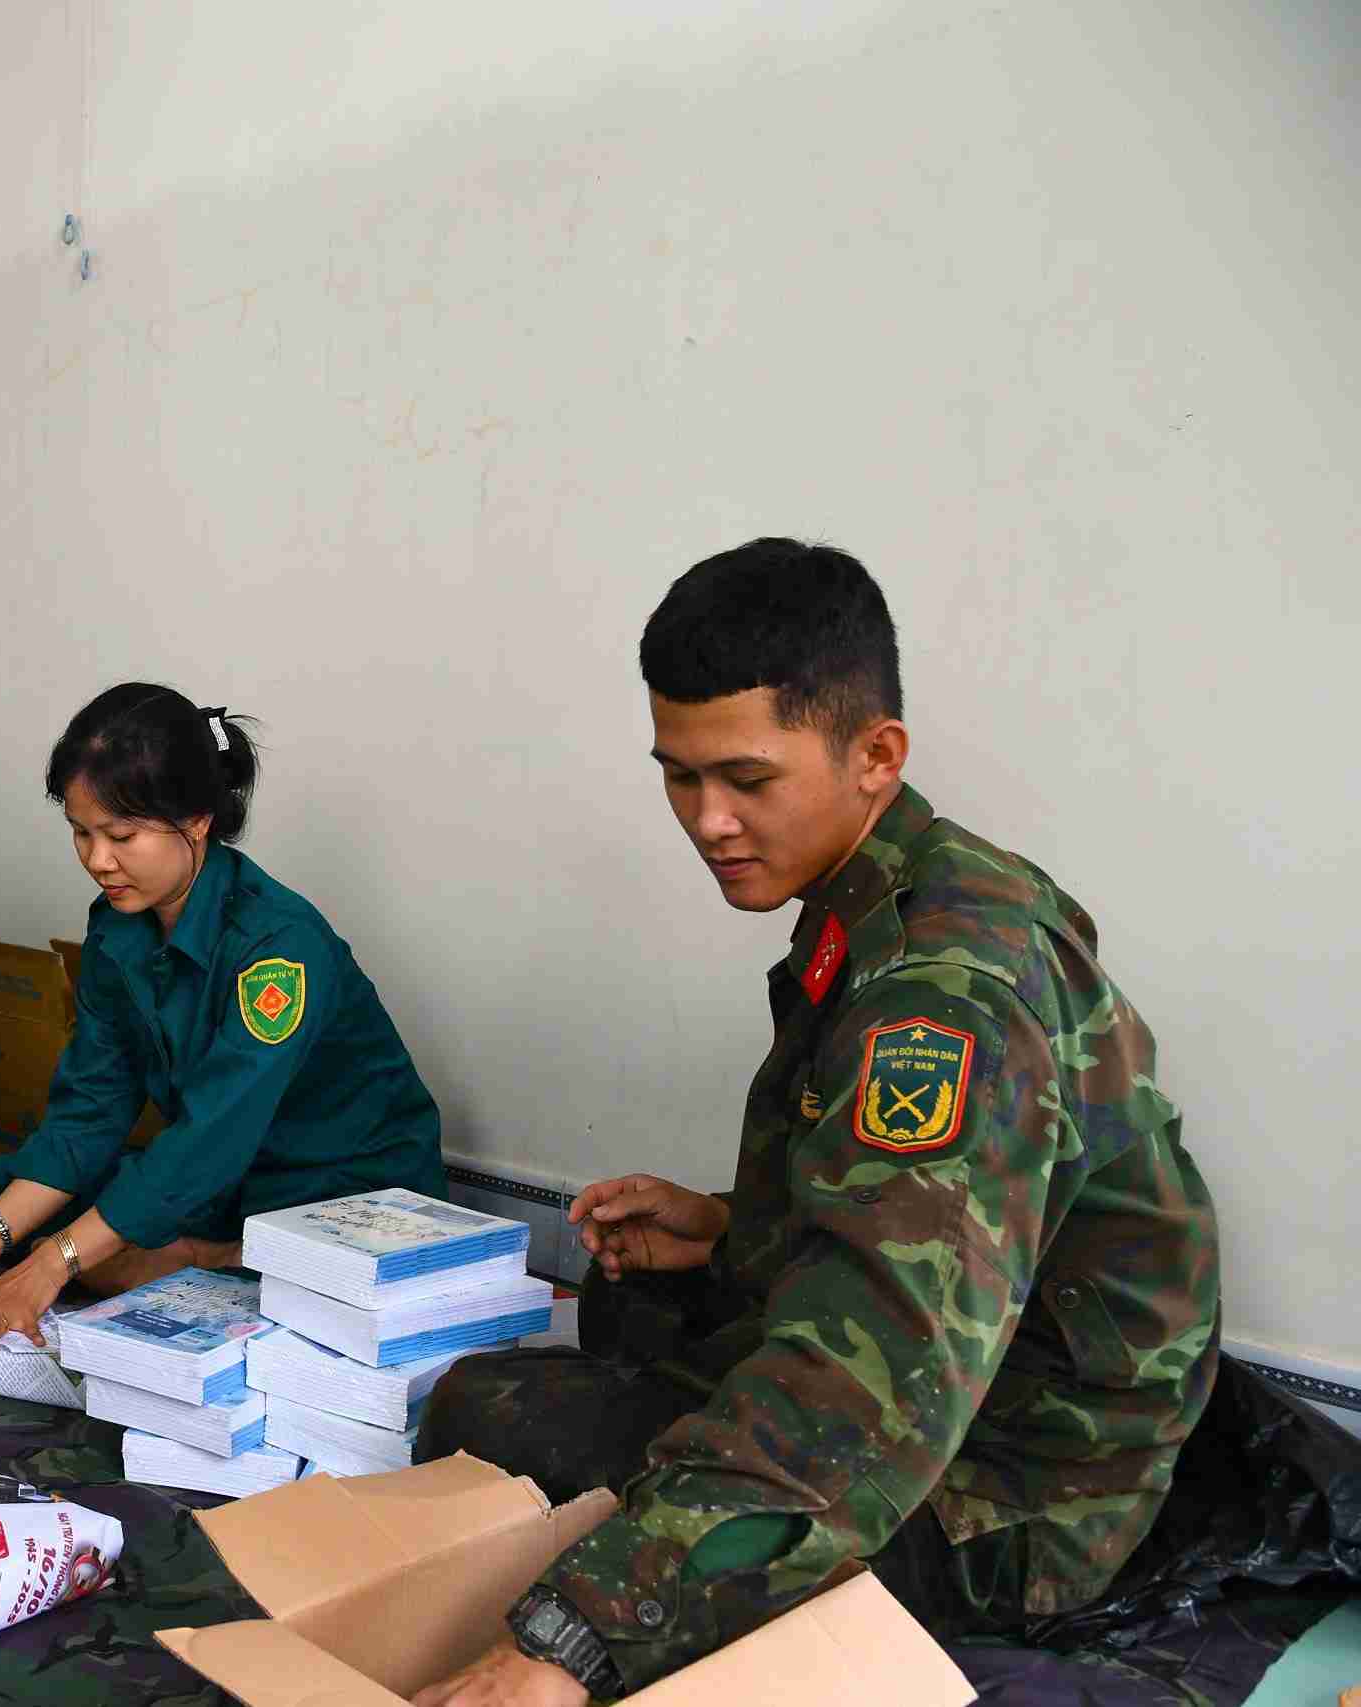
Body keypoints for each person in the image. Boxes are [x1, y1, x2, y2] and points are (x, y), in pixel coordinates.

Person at [409, 540, 1221, 1706]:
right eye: (679, 777)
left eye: (746, 779)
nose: (707, 820)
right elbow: (953, 1218)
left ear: (875, 755)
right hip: (996, 1375)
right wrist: (730, 1226)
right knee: (617, 1325)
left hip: (1015, 1492)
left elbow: (875, 1376)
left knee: (499, 1413)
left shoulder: (946, 992)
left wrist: (566, 1644)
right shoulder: (902, 890)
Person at [0, 683, 447, 1350]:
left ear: (198, 819)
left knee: (70, 1245)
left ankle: (212, 1260)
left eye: (121, 834)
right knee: (3, 1196)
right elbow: (90, 1110)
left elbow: (210, 1138)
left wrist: (49, 1265)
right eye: (80, 833)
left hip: (338, 1191)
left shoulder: (277, 949)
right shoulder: (119, 929)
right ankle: (207, 1257)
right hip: (232, 1183)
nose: (96, 860)